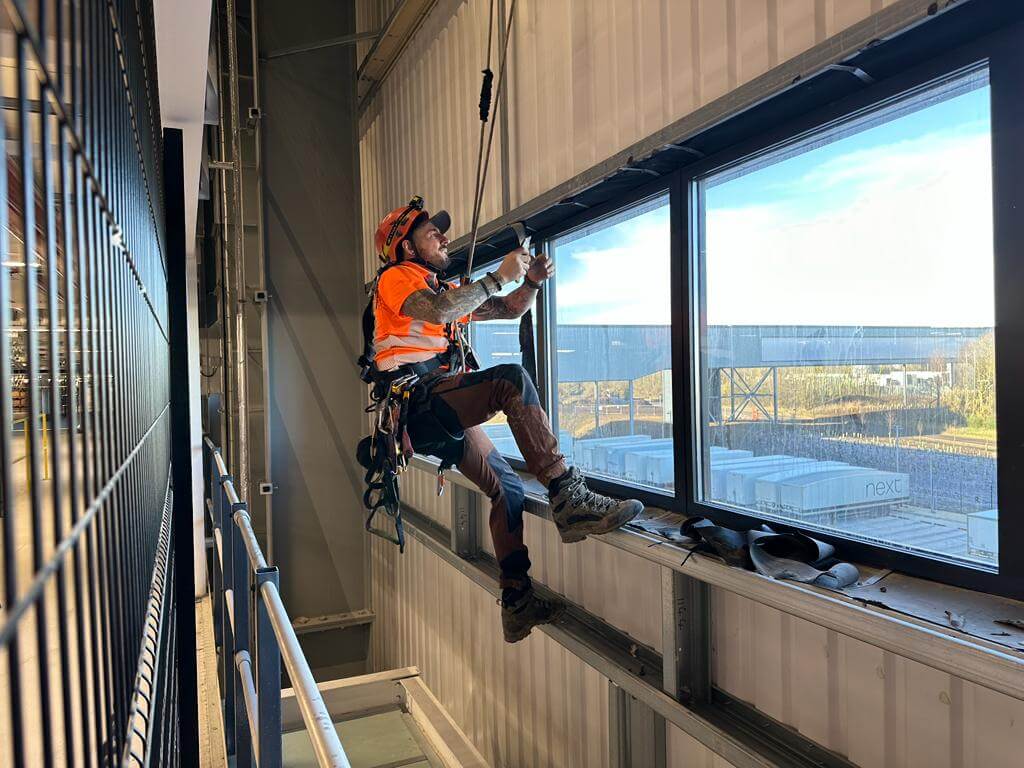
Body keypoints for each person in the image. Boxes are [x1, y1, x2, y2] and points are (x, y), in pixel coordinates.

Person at [367, 197, 643, 643]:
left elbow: (508, 309)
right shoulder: (398, 280)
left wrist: (530, 282)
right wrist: (497, 276)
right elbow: (440, 312)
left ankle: (517, 600)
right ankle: (567, 496)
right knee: (510, 381)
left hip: (436, 408)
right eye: (431, 232)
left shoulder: (441, 292)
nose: (443, 237)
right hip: (418, 403)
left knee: (507, 488)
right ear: (405, 245)